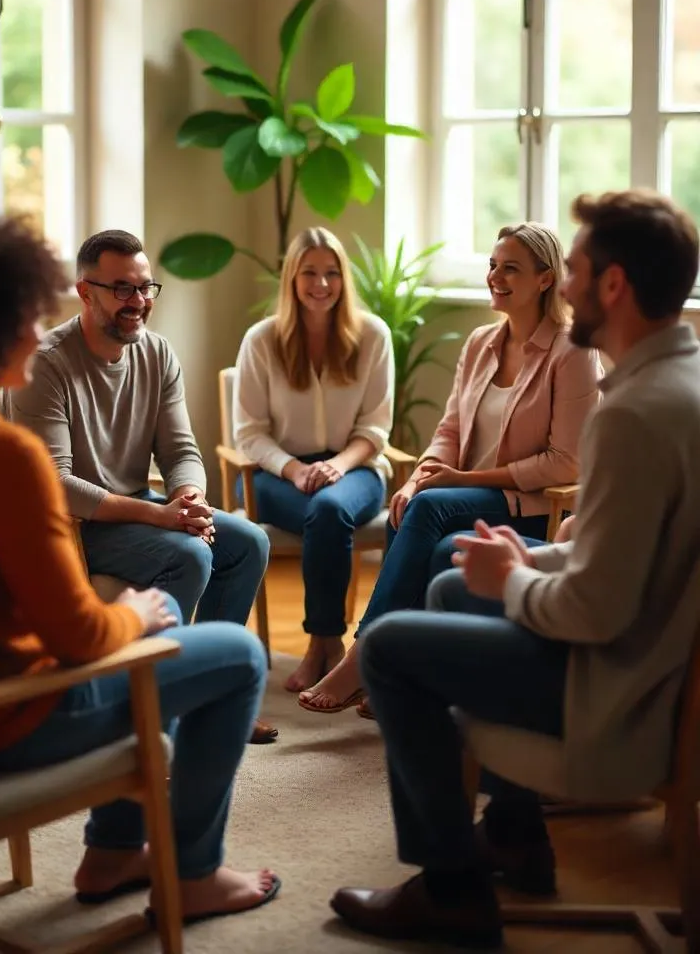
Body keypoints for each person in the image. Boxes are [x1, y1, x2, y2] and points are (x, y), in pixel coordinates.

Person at [0, 218, 280, 922]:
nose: (39, 330)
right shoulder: (7, 458)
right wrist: (142, 615)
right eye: (28, 314)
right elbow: (84, 637)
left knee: (219, 560)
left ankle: (115, 851)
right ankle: (193, 872)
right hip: (3, 723)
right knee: (238, 654)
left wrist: (180, 504)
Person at [330, 190, 700, 949]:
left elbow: (595, 612)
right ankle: (514, 833)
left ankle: (452, 888)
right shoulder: (676, 386)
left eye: (575, 269)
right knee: (447, 584)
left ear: (614, 285)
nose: (564, 286)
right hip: (641, 654)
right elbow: (624, 553)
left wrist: (518, 580)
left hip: (621, 695)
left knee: (397, 646)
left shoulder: (632, 414)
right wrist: (533, 558)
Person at [300, 221, 602, 714]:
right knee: (423, 517)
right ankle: (396, 673)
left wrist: (461, 480)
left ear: (546, 280)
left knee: (430, 509)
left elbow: (565, 462)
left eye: (511, 268)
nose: (495, 276)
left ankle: (366, 656)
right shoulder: (481, 342)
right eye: (492, 265)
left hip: (527, 508)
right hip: (458, 501)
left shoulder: (573, 352)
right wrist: (421, 475)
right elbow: (450, 431)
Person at [11, 229, 277, 745]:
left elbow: (181, 452)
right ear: (85, 292)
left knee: (249, 543)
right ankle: (158, 715)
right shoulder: (47, 364)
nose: (138, 302)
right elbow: (57, 486)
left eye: (146, 288)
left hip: (139, 507)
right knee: (191, 557)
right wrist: (160, 517)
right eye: (123, 290)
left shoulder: (157, 354)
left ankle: (215, 697)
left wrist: (189, 498)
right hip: (77, 525)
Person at [234, 227, 394, 693]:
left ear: (344, 279)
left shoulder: (373, 336)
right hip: (276, 472)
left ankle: (322, 645)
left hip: (355, 469)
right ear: (291, 278)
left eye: (331, 273)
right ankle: (327, 647)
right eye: (309, 273)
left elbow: (375, 428)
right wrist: (295, 468)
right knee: (324, 515)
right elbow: (249, 434)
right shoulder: (261, 341)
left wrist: (338, 466)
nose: (321, 284)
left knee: (329, 510)